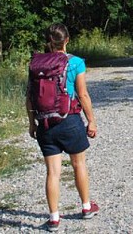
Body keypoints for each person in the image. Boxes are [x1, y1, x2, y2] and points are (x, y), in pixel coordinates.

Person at [26, 23, 99, 231]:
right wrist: (91, 120)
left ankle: (54, 218)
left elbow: (29, 97)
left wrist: (32, 123)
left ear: (47, 41)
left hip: (45, 124)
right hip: (70, 121)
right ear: (66, 40)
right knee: (79, 165)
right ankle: (86, 207)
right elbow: (82, 95)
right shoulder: (76, 62)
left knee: (53, 172)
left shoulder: (35, 63)